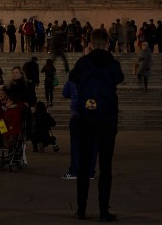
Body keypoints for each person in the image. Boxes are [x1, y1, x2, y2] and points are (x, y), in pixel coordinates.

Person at [69, 27, 124, 222]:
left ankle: (81, 209)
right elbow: (119, 78)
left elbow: (73, 78)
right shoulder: (112, 63)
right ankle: (103, 210)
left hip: (86, 119)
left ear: (90, 43)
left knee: (84, 166)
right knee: (105, 166)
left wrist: (86, 58)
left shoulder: (84, 62)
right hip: (107, 120)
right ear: (108, 43)